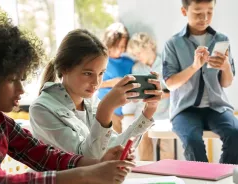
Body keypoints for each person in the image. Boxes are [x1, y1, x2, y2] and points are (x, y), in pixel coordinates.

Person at [0, 5, 135, 184]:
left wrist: (99, 163)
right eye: (13, 80)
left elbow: (45, 156)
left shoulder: (1, 123)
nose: (21, 89)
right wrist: (87, 173)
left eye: (22, 79)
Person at [29, 29, 163, 159]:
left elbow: (115, 149)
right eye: (88, 73)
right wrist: (106, 109)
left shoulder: (91, 102)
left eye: (101, 73)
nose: (96, 82)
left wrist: (148, 112)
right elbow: (87, 160)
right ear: (64, 68)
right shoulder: (41, 109)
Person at [162, 0, 238, 164]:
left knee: (235, 133)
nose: (204, 18)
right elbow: (170, 83)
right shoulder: (173, 44)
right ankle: (201, 181)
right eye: (198, 13)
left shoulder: (222, 40)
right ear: (184, 11)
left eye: (210, 12)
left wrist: (225, 67)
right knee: (192, 140)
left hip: (216, 107)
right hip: (184, 109)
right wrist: (195, 66)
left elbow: (226, 83)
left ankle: (223, 177)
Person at [123, 32, 173, 161]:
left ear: (149, 47)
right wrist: (134, 97)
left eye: (138, 53)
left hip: (164, 114)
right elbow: (134, 96)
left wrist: (160, 95)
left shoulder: (166, 63)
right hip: (143, 113)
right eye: (134, 55)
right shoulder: (136, 68)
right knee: (144, 146)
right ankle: (146, 176)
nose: (137, 57)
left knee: (166, 148)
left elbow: (175, 90)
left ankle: (166, 176)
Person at [97, 22, 133, 133]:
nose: (121, 49)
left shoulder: (129, 63)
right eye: (118, 46)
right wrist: (111, 83)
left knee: (119, 145)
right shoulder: (100, 60)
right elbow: (90, 84)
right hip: (106, 109)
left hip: (123, 111)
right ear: (110, 43)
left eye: (123, 46)